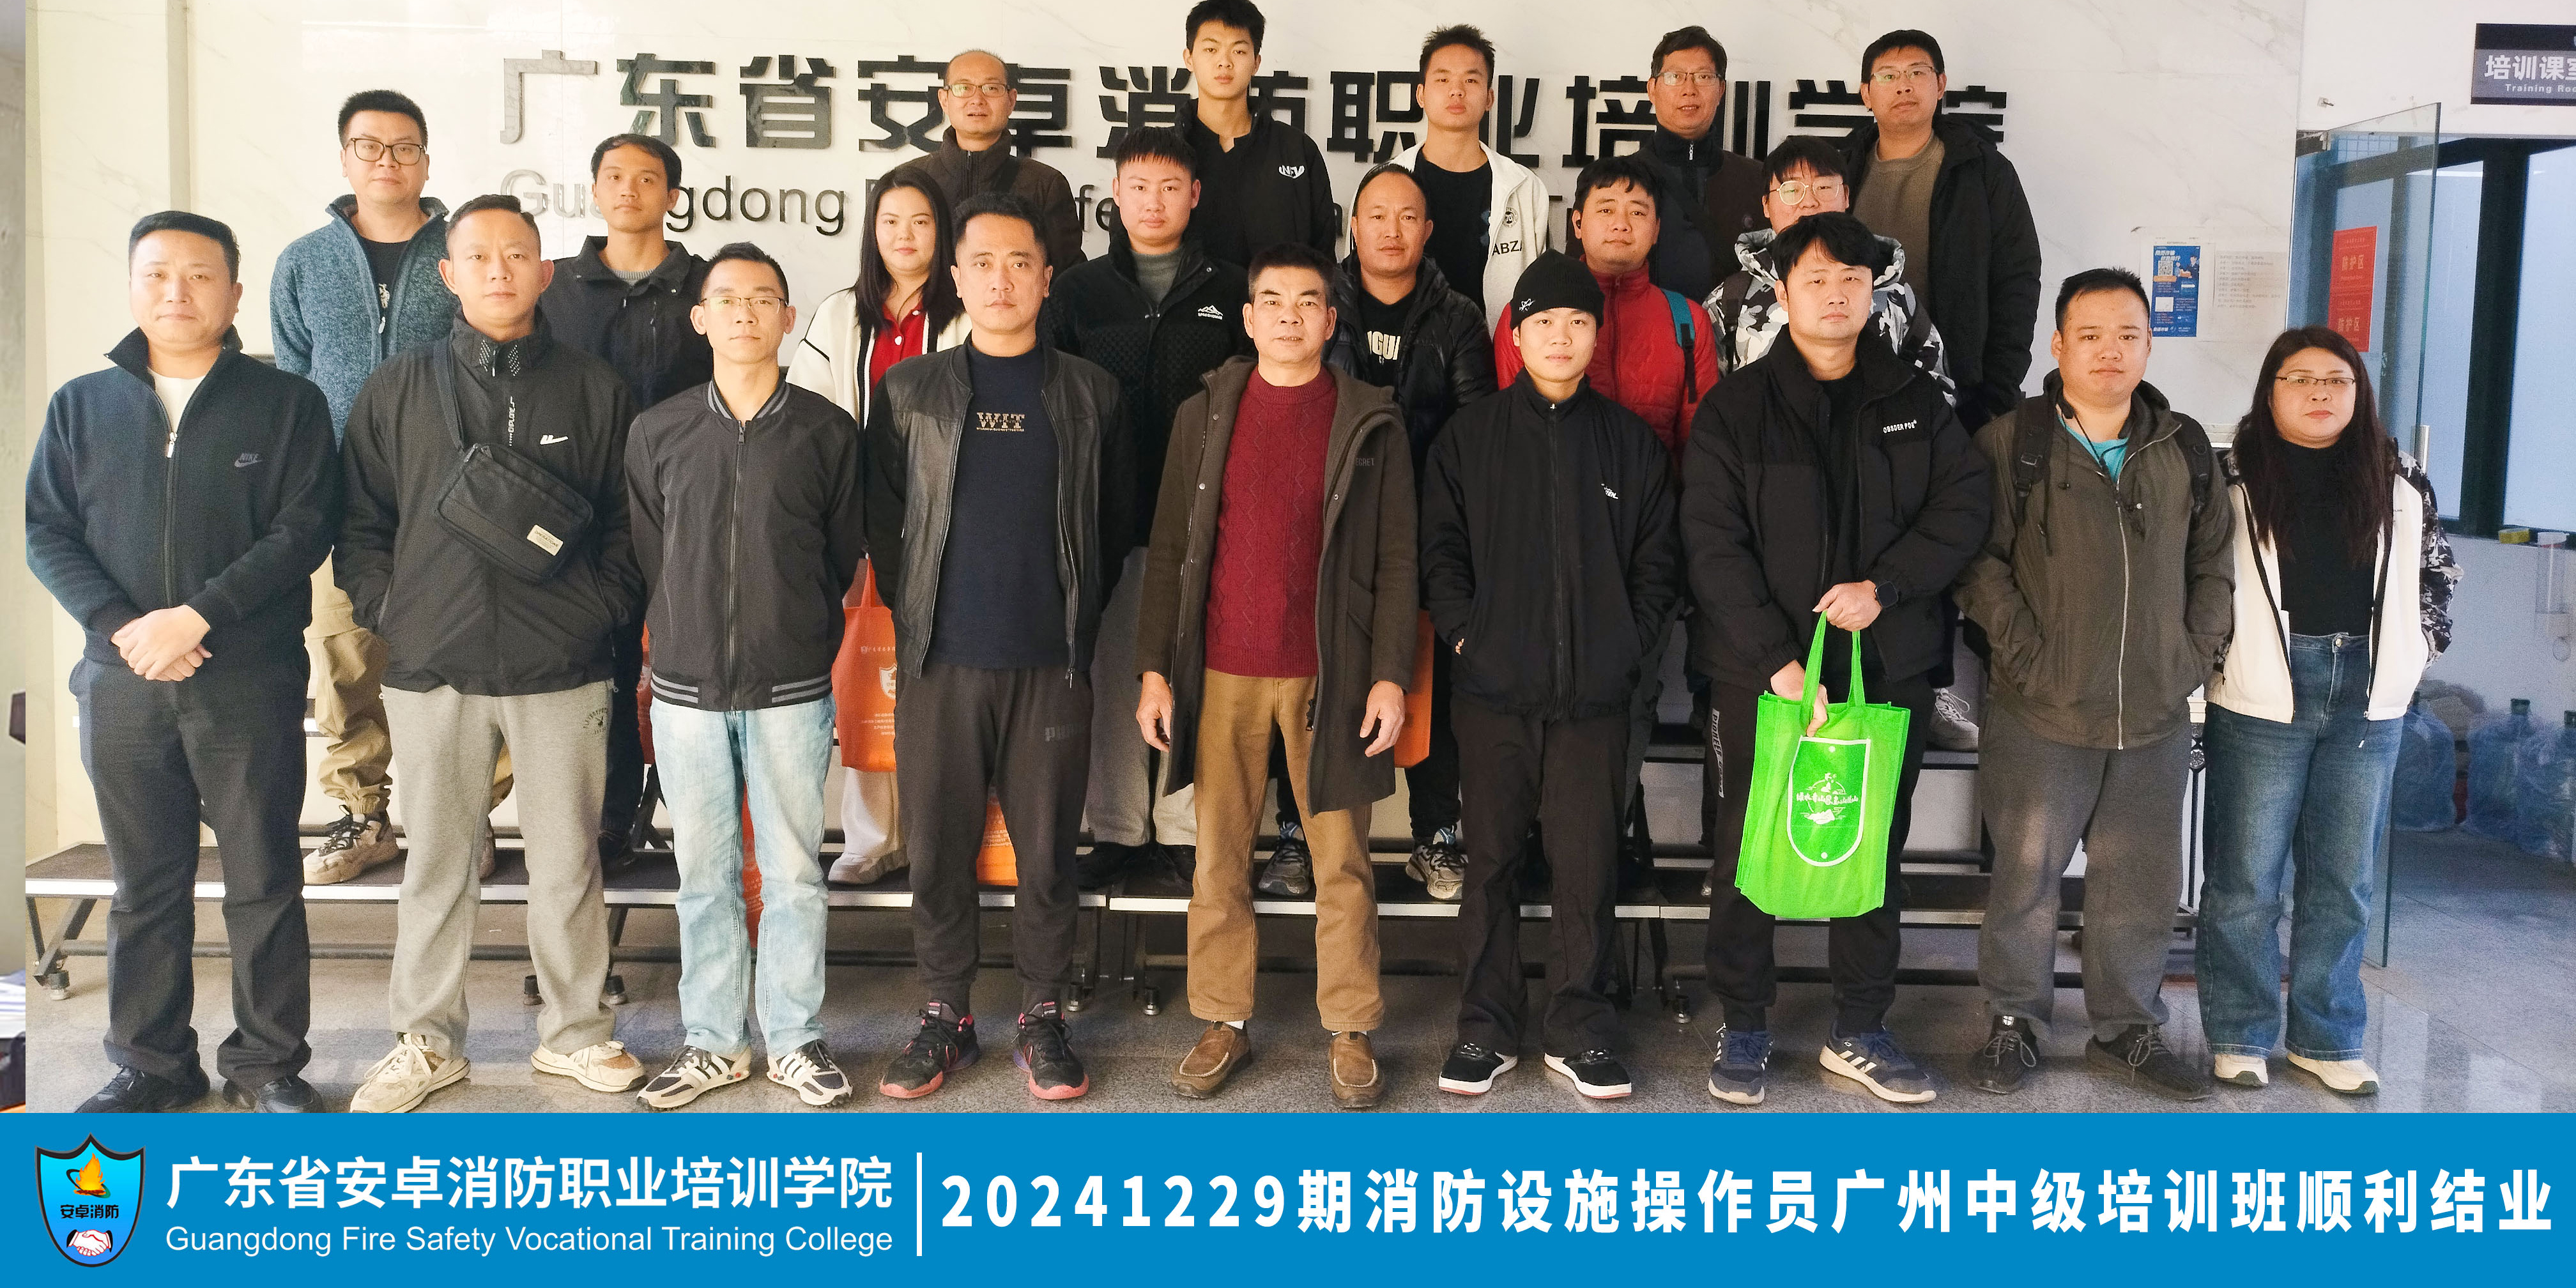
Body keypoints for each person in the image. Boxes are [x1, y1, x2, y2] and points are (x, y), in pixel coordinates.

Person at [339, 195, 647, 1112]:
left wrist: (595, 615)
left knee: (568, 862)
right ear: (449, 274)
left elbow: (633, 527)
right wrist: (395, 614)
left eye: (517, 254)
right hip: (432, 668)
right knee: (438, 863)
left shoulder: (596, 389)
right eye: (479, 256)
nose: (499, 270)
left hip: (562, 669)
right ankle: (427, 1042)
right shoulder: (398, 387)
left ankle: (577, 1035)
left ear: (545, 271)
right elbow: (360, 524)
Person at [28, 212, 341, 1114]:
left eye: (200, 275)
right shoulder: (82, 405)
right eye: (158, 274)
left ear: (234, 294)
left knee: (264, 877)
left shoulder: (287, 404)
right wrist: (127, 628)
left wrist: (198, 616)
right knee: (145, 884)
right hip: (123, 679)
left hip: (247, 677)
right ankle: (151, 1064)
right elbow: (48, 532)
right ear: (132, 287)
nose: (177, 292)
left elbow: (303, 529)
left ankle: (267, 1065)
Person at [1683, 212, 1989, 1107]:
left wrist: (1885, 588)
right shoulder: (1736, 408)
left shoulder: (1915, 402)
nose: (1835, 294)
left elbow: (1964, 509)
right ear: (1782, 294)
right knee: (1748, 845)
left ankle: (1860, 1027)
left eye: (1852, 279)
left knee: (1871, 847)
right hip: (1760, 676)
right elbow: (1712, 544)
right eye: (1815, 279)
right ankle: (1745, 1024)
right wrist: (1778, 660)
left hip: (1886, 668)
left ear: (1873, 293)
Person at [1135, 241, 1416, 1108]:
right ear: (1249, 318)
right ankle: (1223, 1019)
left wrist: (1390, 675)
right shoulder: (1205, 415)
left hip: (1331, 675)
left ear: (1331, 321)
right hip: (1222, 670)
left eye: (1307, 304)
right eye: (1272, 302)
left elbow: (1399, 560)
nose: (1289, 317)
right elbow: (1171, 551)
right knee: (1218, 858)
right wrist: (1153, 670)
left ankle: (1351, 1027)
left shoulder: (1370, 421)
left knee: (1343, 863)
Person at [869, 192, 1133, 1102]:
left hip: (1052, 665)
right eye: (982, 263)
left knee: (1048, 853)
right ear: (956, 278)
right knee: (938, 848)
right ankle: (945, 1013)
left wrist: (1075, 621)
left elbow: (1116, 521)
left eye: (1020, 263)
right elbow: (883, 520)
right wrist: (919, 618)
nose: (1001, 280)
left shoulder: (1092, 393)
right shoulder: (909, 391)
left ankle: (1043, 1015)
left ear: (1047, 278)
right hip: (940, 664)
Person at [1953, 268, 2233, 1101]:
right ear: (2058, 345)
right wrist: (2027, 657)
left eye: (2127, 335)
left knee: (2139, 884)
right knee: (2025, 880)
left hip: (2154, 711)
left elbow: (2213, 564)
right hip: (2040, 707)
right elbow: (1978, 563)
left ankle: (2127, 1030)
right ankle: (2015, 1022)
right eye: (2091, 335)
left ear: (2149, 346)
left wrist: (2191, 656)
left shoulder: (2183, 446)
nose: (2110, 351)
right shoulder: (2012, 443)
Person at [1422, 252, 1682, 1101]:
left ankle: (1581, 1030)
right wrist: (1468, 638)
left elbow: (1659, 565)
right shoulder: (1470, 439)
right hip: (1493, 694)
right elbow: (1441, 553)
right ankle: (1485, 1028)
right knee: (1490, 865)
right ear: (1517, 336)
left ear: (1595, 337)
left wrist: (1625, 647)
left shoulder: (1630, 444)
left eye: (1576, 323)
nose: (1560, 337)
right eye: (1543, 324)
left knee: (1586, 868)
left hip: (1595, 701)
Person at [627, 243, 864, 1110]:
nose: (744, 313)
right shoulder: (658, 431)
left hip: (790, 687)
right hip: (686, 692)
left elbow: (840, 556)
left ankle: (794, 1039)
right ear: (700, 318)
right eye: (726, 298)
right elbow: (651, 553)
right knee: (705, 876)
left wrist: (792, 631)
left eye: (763, 299)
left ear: (788, 319)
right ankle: (715, 1043)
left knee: (795, 873)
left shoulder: (827, 432)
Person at [2199, 326, 2457, 1098]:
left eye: (2337, 381)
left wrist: (2416, 652)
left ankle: (2328, 1037)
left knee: (2342, 882)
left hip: (2368, 694)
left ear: (2359, 392)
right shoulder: (2230, 474)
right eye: (2301, 379)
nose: (2321, 393)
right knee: (2245, 879)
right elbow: (2196, 575)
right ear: (2270, 390)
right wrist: (2214, 658)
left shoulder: (2398, 476)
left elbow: (2438, 574)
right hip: (2262, 688)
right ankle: (2241, 1033)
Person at [270, 89, 493, 887]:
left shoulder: (463, 250)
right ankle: (362, 813)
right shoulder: (303, 262)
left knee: (464, 655)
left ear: (426, 162)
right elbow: (294, 384)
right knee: (344, 658)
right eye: (369, 146)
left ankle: (465, 814)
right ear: (345, 159)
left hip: (451, 498)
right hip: (339, 498)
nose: (387, 161)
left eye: (404, 147)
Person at [1494, 153, 1718, 890]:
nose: (1621, 223)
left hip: (1640, 564)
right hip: (1540, 562)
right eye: (1606, 209)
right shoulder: (1528, 317)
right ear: (1577, 222)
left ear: (1657, 230)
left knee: (1628, 707)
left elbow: (1698, 453)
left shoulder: (1686, 322)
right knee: (1531, 711)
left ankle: (1595, 850)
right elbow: (1514, 439)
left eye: (1637, 211)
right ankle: (1533, 850)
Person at [1042, 125, 1251, 890]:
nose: (1153, 202)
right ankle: (1120, 830)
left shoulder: (1233, 290)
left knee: (1197, 676)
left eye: (1169, 188)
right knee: (1118, 671)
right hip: (1111, 515)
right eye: (1138, 187)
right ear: (1115, 196)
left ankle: (1186, 832)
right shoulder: (1078, 292)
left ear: (1194, 196)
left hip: (1209, 520)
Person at [788, 167, 968, 887]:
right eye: (890, 221)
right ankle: (870, 839)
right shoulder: (841, 314)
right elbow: (808, 413)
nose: (905, 235)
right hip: (860, 526)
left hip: (951, 526)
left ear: (942, 231)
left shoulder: (965, 314)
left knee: (945, 687)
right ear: (871, 231)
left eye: (921, 221)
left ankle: (939, 837)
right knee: (868, 674)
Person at [1322, 161, 1496, 901]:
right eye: (1377, 215)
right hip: (1330, 524)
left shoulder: (1457, 318)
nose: (1391, 231)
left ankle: (1437, 835)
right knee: (1318, 675)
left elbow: (1476, 436)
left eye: (1407, 217)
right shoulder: (1319, 302)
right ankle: (1303, 830)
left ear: (1428, 231)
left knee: (1434, 679)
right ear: (1353, 226)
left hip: (1425, 525)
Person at [539, 132, 713, 869]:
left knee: (691, 665)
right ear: (594, 190)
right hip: (586, 515)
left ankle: (697, 818)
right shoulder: (554, 288)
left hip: (690, 511)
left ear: (673, 196)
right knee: (601, 667)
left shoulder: (707, 285)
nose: (629, 190)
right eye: (614, 176)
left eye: (647, 179)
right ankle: (610, 819)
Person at [1841, 29, 2042, 429]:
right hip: (1852, 386)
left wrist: (1996, 391)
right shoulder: (1840, 170)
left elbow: (2017, 279)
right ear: (1866, 94)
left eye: (1918, 72)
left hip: (1959, 394)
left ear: (1941, 85)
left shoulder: (1983, 171)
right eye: (1888, 76)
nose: (1904, 86)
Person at [1703, 135, 1949, 393]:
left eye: (1824, 187)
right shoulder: (1731, 300)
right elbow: (1710, 403)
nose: (1809, 202)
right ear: (1766, 205)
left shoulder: (1893, 292)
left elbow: (1938, 391)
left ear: (1846, 196)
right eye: (1792, 190)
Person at [1393, 24, 1552, 326]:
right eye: (1443, 79)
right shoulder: (1384, 183)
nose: (1457, 90)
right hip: (1403, 351)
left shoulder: (1524, 188)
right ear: (1421, 94)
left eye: (1471, 79)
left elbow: (1544, 293)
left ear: (1490, 97)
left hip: (1497, 350)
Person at [1179, 0, 1335, 266]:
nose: (1224, 62)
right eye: (1211, 49)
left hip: (1279, 295)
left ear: (1256, 62)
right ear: (1189, 58)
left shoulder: (1297, 150)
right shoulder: (1165, 152)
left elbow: (1323, 260)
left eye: (1239, 51)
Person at [915, 49, 1087, 269]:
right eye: (963, 88)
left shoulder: (1045, 184)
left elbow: (1066, 276)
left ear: (1011, 100)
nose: (977, 100)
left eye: (991, 88)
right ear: (944, 100)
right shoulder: (914, 180)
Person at [1634, 26, 1766, 303]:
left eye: (1703, 77)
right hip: (1642, 328)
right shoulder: (1615, 180)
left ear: (1721, 90)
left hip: (1734, 329)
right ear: (1652, 89)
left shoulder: (1757, 179)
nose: (1689, 90)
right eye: (1674, 77)